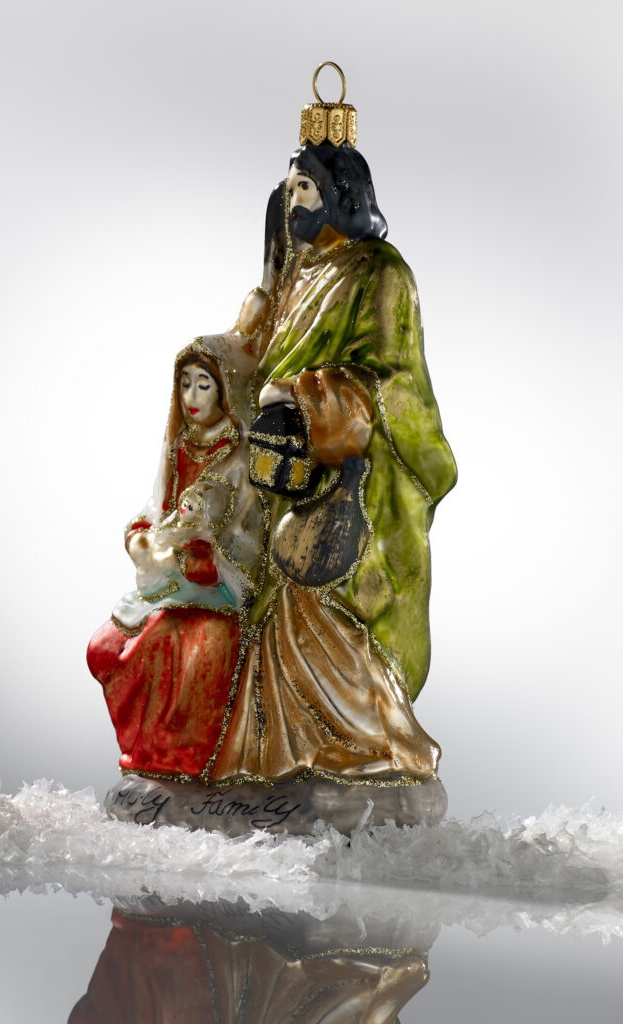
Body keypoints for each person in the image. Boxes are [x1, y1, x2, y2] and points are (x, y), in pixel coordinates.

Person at [209, 136, 457, 787]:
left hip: (349, 481)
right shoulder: (301, 271)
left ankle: (366, 747)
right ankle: (274, 763)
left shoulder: (380, 271)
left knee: (321, 603)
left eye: (306, 187)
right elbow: (256, 351)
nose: (294, 199)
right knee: (272, 613)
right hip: (282, 475)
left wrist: (306, 398)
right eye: (290, 187)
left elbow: (393, 379)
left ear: (341, 193)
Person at [87, 337, 264, 778]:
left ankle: (178, 757)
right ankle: (151, 758)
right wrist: (140, 538)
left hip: (219, 584)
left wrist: (208, 552)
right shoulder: (179, 445)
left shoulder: (240, 453)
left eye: (203, 384)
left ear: (224, 390)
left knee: (180, 642)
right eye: (185, 384)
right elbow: (157, 510)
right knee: (107, 646)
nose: (191, 396)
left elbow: (250, 530)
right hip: (169, 575)